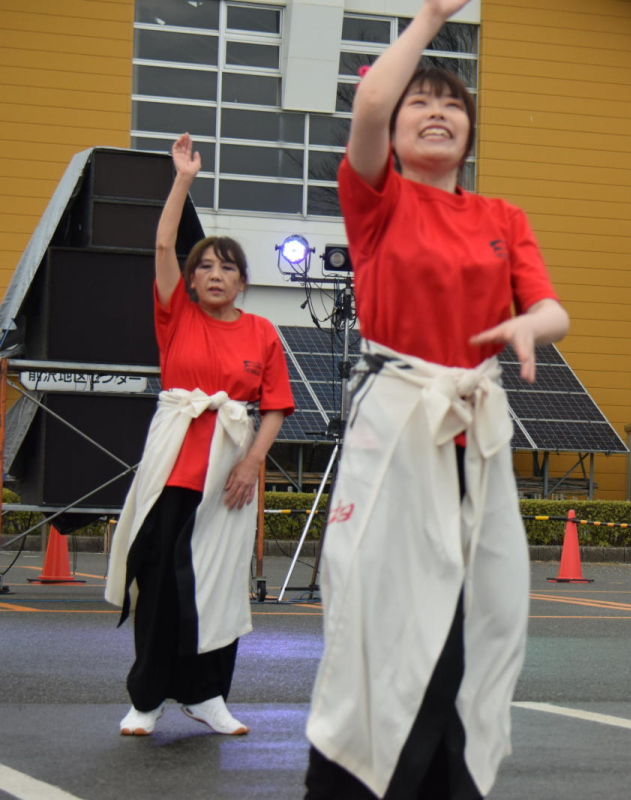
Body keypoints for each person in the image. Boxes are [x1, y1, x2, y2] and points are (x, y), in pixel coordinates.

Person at [302, 2, 569, 798]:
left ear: (470, 131)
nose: (437, 111)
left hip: (473, 435)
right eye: (422, 101)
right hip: (399, 425)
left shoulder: (500, 217)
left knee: (475, 617)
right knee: (383, 617)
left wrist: (527, 327)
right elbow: (369, 105)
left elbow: (555, 310)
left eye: (452, 103)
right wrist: (426, 20)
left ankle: (450, 783)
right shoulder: (377, 197)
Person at [105, 133, 294, 736]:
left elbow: (275, 407)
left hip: (229, 478)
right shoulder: (176, 315)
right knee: (159, 584)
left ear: (242, 281)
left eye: (227, 266)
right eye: (204, 266)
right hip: (173, 473)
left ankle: (208, 695)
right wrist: (182, 178)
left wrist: (251, 465)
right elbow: (163, 242)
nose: (215, 273)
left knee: (218, 586)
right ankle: (148, 699)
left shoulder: (263, 331)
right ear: (189, 281)